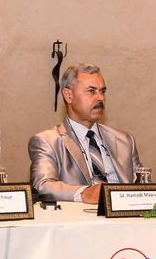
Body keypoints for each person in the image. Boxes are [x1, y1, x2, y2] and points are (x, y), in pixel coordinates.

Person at [28, 63, 141, 203]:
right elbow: (43, 185)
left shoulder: (125, 140)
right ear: (68, 95)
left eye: (102, 91)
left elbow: (143, 184)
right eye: (91, 91)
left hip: (125, 214)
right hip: (78, 216)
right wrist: (83, 193)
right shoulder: (47, 141)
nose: (100, 98)